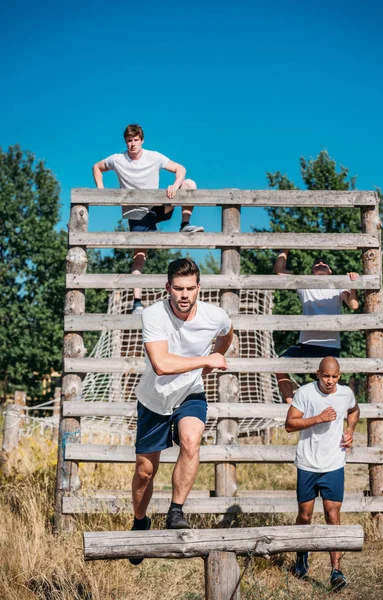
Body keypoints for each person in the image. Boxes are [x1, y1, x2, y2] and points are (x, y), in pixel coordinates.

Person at [129, 258, 233, 565]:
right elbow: (161, 365)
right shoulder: (153, 314)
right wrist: (206, 361)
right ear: (167, 288)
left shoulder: (215, 316)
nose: (184, 295)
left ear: (199, 288)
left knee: (191, 440)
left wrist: (218, 353)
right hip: (154, 399)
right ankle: (139, 521)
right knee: (145, 472)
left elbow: (227, 333)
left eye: (190, 288)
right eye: (178, 288)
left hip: (190, 393)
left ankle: (176, 511)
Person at [92, 124, 204, 314]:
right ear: (125, 141)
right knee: (139, 256)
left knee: (189, 184)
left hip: (157, 206)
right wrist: (101, 191)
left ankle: (185, 224)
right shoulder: (118, 159)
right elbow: (97, 167)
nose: (132, 144)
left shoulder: (154, 156)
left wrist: (175, 185)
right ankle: (137, 302)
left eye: (136, 140)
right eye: (129, 140)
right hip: (137, 213)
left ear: (142, 140)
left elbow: (180, 169)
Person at [285, 356, 360, 591]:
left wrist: (349, 429)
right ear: (318, 374)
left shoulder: (345, 393)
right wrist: (319, 418)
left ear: (339, 376)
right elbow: (289, 424)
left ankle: (336, 571)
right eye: (325, 376)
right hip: (308, 463)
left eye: (334, 376)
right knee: (305, 516)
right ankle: (301, 558)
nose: (330, 381)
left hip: (334, 463)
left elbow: (354, 410)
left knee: (332, 515)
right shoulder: (306, 393)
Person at [273, 250, 359, 403]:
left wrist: (353, 284)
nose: (320, 264)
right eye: (316, 263)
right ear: (312, 270)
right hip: (306, 344)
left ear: (330, 271)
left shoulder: (338, 285)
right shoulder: (305, 284)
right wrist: (285, 249)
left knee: (326, 391)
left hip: (330, 347)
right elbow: (279, 271)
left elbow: (353, 305)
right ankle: (292, 405)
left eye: (324, 263)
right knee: (278, 365)